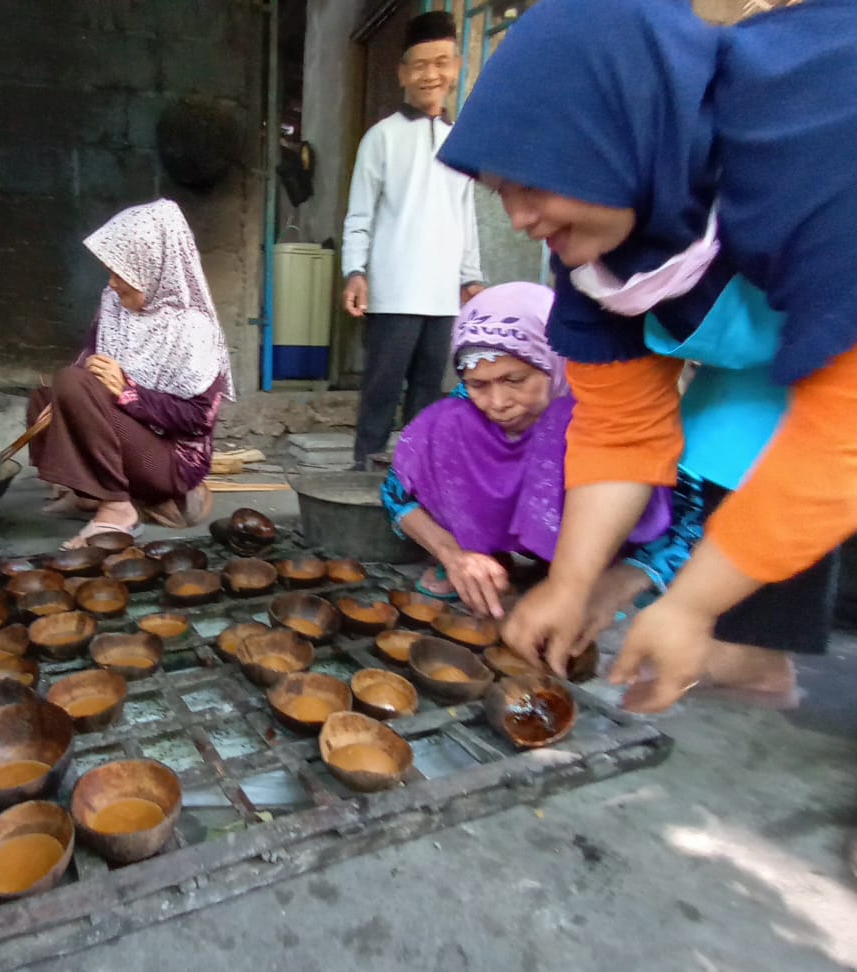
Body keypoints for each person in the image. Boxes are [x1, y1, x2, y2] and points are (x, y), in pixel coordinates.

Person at [436, 0, 857, 712]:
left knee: (811, 472)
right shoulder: (601, 249)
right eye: (501, 193)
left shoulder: (813, 131)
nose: (518, 219)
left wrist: (691, 607)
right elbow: (622, 431)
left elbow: (842, 436)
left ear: (608, 132)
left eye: (531, 180)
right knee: (725, 443)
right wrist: (568, 586)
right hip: (795, 346)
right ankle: (751, 653)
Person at [382, 282, 669, 618]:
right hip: (472, 546)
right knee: (447, 422)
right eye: (478, 384)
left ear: (552, 362)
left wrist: (621, 578)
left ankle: (586, 571)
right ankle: (486, 557)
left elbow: (684, 512)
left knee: (562, 425)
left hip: (588, 544)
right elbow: (395, 494)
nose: (498, 403)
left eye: (515, 380)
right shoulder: (463, 413)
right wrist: (454, 555)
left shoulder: (603, 405)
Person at [26, 200, 234, 550]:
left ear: (152, 268)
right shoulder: (112, 304)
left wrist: (129, 393)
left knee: (71, 386)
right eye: (111, 271)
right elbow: (89, 366)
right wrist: (65, 405)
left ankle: (118, 509)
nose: (112, 282)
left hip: (169, 458)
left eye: (122, 273)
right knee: (45, 398)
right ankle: (88, 495)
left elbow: (197, 420)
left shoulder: (193, 329)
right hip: (126, 435)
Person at [342, 11, 484, 469]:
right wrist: (355, 271)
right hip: (393, 291)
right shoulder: (381, 138)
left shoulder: (462, 141)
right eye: (419, 65)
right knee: (381, 389)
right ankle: (363, 471)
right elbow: (359, 213)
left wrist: (471, 278)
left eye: (441, 62)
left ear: (456, 67)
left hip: (443, 295)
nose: (430, 74)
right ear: (403, 72)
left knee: (429, 393)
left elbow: (467, 216)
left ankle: (418, 476)